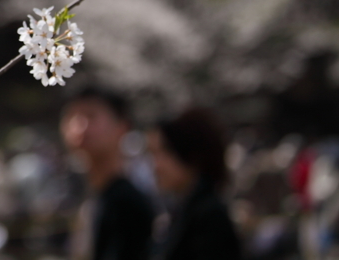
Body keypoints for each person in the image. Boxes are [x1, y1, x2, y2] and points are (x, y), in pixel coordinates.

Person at [61, 87, 154, 260]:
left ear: (122, 127)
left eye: (91, 116)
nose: (79, 127)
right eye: (72, 117)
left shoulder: (126, 203)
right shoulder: (93, 196)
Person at [148, 107, 241, 260]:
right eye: (153, 154)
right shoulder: (185, 209)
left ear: (189, 153)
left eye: (165, 152)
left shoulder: (209, 216)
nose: (156, 166)